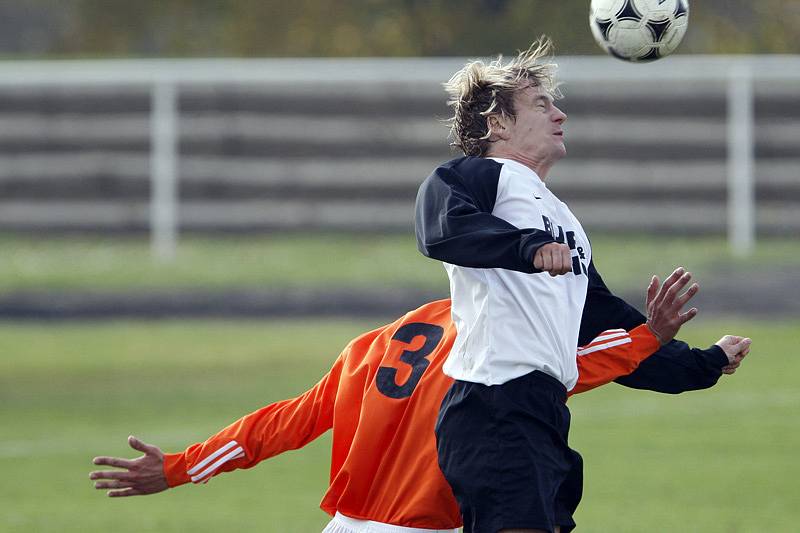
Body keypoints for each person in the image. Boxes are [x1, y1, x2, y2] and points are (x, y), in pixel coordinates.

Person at [90, 274, 750, 533]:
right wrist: (654, 339)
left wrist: (176, 467)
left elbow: (279, 423)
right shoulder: (499, 342)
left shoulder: (373, 344)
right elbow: (569, 370)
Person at [413, 38, 751, 533]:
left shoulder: (560, 215)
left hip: (542, 410)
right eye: (541, 104)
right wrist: (526, 248)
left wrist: (703, 363)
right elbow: (438, 224)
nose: (560, 114)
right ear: (498, 123)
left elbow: (599, 320)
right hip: (494, 405)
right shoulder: (481, 176)